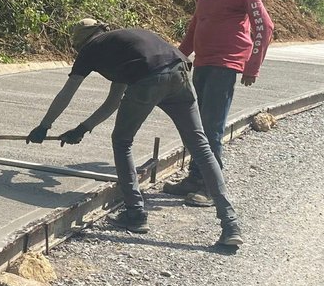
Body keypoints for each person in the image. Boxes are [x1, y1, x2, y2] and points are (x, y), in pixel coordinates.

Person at [26, 18, 244, 248]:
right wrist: (83, 128)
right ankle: (230, 224)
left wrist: (44, 126)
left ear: (79, 41)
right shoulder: (122, 43)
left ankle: (136, 213)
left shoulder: (91, 48)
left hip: (149, 79)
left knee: (122, 141)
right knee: (201, 148)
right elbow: (113, 101)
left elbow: (67, 92)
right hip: (179, 72)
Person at [163, 0, 274, 206]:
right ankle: (195, 177)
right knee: (197, 125)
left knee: (211, 127)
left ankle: (212, 188)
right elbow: (195, 24)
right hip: (203, 62)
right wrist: (180, 56)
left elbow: (264, 26)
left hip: (225, 64)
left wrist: (252, 65)